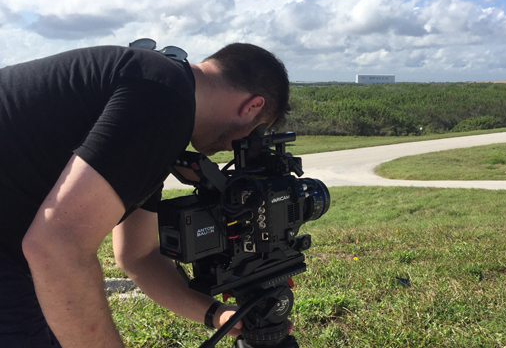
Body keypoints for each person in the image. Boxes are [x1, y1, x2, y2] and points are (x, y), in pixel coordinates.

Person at [0, 40, 291, 347]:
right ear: (252, 107)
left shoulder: (159, 93)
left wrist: (216, 314)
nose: (242, 147)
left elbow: (137, 255)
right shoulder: (164, 98)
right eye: (257, 133)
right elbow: (57, 246)